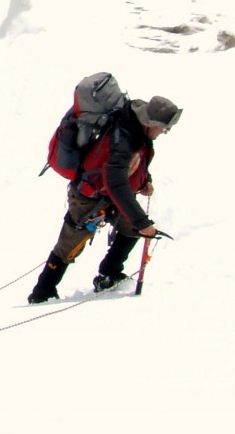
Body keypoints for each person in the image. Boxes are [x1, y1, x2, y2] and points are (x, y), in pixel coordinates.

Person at [28, 95, 181, 303]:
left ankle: (109, 274)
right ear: (151, 122)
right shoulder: (125, 138)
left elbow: (137, 161)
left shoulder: (137, 128)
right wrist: (142, 222)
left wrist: (145, 181)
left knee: (132, 227)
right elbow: (115, 182)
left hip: (109, 194)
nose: (164, 132)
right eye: (164, 128)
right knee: (69, 246)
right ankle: (42, 293)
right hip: (89, 196)